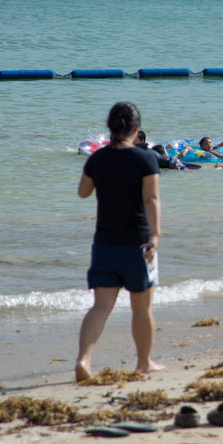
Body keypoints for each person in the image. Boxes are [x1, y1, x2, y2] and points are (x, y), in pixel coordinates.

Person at [75, 102, 163, 382]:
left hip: (104, 244)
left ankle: (84, 360)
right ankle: (144, 363)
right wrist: (156, 235)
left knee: (100, 307)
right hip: (137, 244)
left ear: (110, 128)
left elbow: (83, 193)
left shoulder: (97, 159)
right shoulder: (145, 159)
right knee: (142, 307)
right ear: (136, 130)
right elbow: (151, 199)